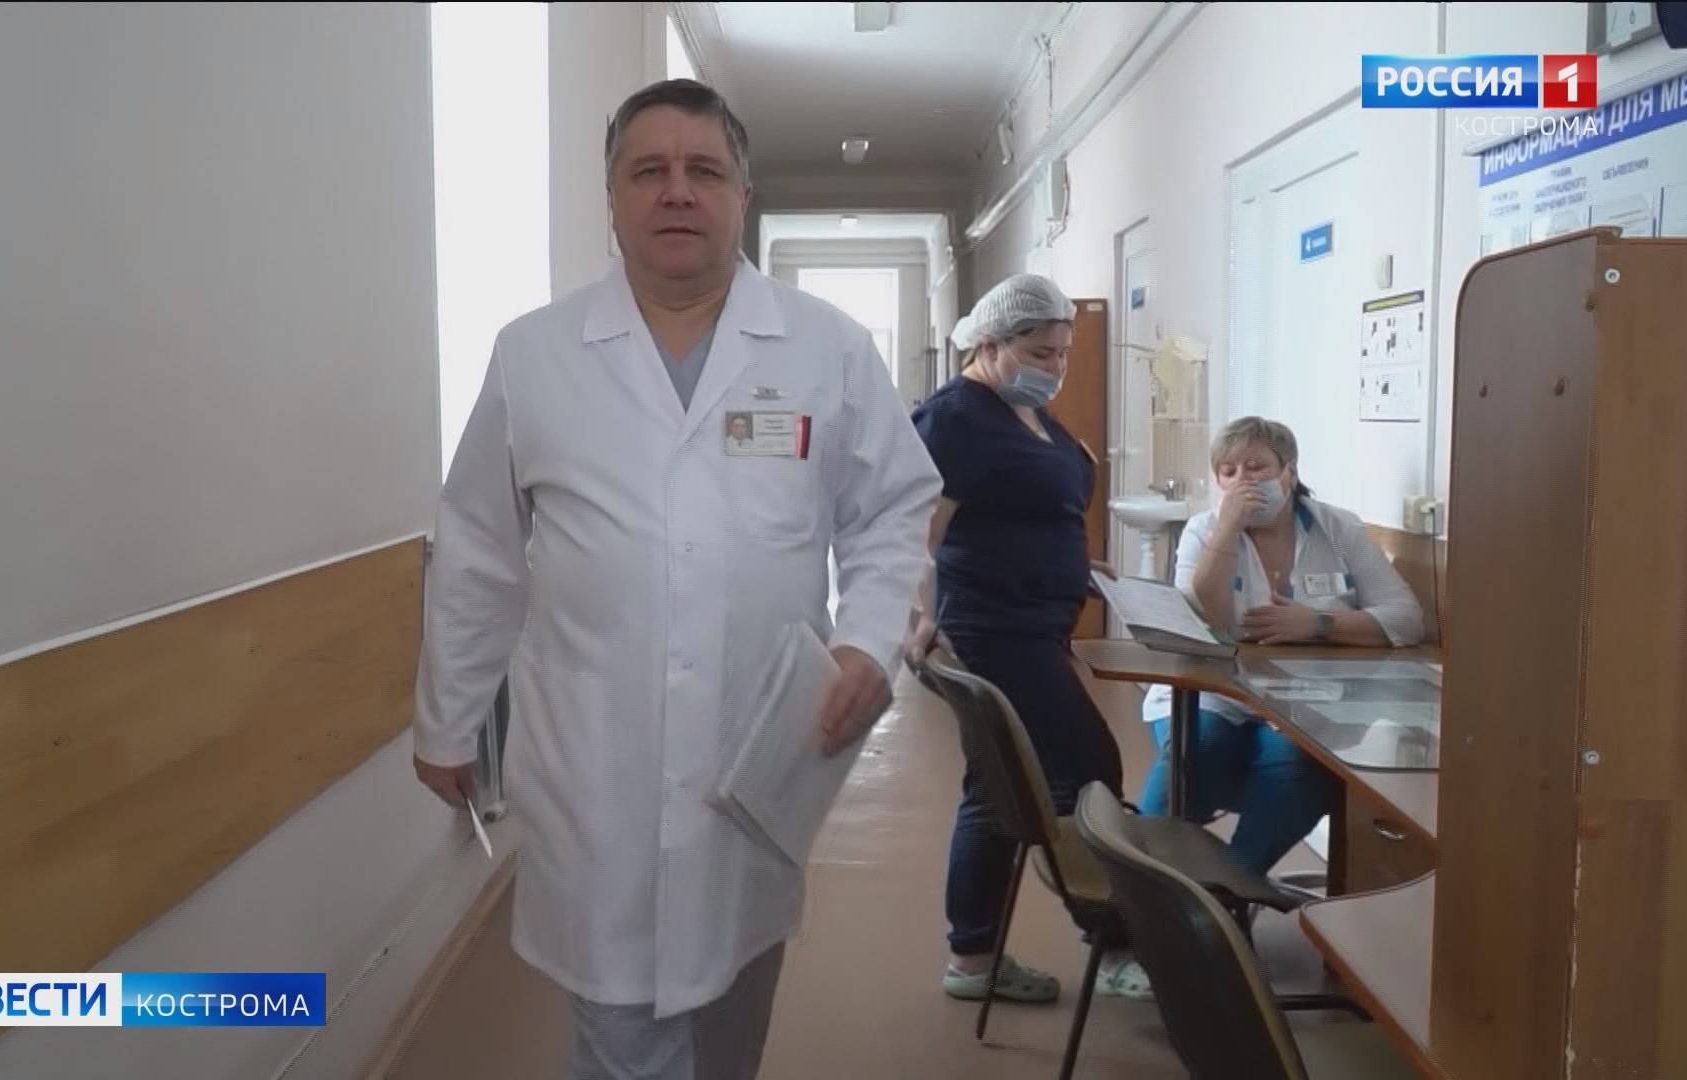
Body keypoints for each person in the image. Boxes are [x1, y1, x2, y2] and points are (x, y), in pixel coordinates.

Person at [410, 79, 941, 1080]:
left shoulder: (827, 347)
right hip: (593, 765)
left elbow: (890, 508)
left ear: (742, 194)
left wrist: (869, 641)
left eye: (704, 170)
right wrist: (448, 722)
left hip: (761, 748)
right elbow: (478, 550)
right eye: (647, 170)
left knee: (735, 1007)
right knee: (622, 1032)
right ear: (611, 199)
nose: (677, 191)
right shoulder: (534, 354)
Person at [904, 274, 1142, 1005]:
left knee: (995, 789)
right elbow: (917, 530)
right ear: (989, 344)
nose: (1056, 367)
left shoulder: (1028, 415)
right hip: (992, 630)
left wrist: (1081, 572)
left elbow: (1035, 510)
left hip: (1036, 626)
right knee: (1086, 771)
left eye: (1063, 354)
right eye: (1040, 353)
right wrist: (915, 614)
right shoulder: (955, 419)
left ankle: (973, 959)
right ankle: (1111, 943)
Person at [1139, 416, 1424, 875]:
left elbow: (1406, 618)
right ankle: (1140, 881)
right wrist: (1226, 533)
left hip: (1308, 698)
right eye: (1229, 471)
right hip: (1216, 690)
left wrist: (1319, 624)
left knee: (1297, 767)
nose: (1243, 481)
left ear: (1288, 472)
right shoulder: (1202, 530)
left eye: (1256, 467)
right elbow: (1199, 620)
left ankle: (1231, 885)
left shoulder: (1337, 529)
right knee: (1198, 749)